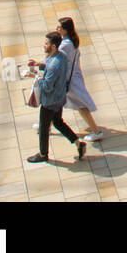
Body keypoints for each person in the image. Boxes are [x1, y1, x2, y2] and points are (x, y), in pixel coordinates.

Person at [27, 32, 86, 164]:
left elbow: (47, 86)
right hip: (60, 98)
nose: (44, 45)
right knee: (58, 122)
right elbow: (49, 66)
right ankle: (78, 143)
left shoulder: (54, 63)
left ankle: (43, 154)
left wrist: (35, 77)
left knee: (43, 128)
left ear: (53, 46)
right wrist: (39, 64)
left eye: (46, 43)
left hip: (50, 101)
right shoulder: (60, 56)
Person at [57, 17, 102, 141]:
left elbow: (58, 61)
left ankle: (96, 132)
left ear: (65, 30)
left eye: (59, 27)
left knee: (80, 105)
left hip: (69, 80)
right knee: (54, 103)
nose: (57, 29)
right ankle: (46, 125)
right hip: (74, 76)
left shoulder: (65, 44)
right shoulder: (71, 40)